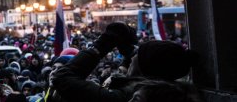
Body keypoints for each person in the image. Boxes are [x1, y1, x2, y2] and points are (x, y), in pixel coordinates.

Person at [49, 22, 199, 102]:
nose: (131, 57)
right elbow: (139, 61)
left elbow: (62, 77)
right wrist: (128, 46)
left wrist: (102, 45)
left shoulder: (136, 97)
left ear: (144, 68)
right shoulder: (174, 93)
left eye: (136, 56)